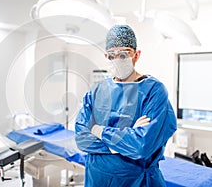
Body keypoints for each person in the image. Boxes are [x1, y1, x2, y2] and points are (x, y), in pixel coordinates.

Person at [75, 24, 177, 187]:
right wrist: (126, 138)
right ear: (106, 56)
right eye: (111, 55)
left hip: (136, 181)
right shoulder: (97, 91)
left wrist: (98, 130)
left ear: (136, 55)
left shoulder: (153, 91)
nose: (117, 60)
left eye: (123, 54)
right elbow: (81, 139)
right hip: (97, 179)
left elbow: (141, 146)